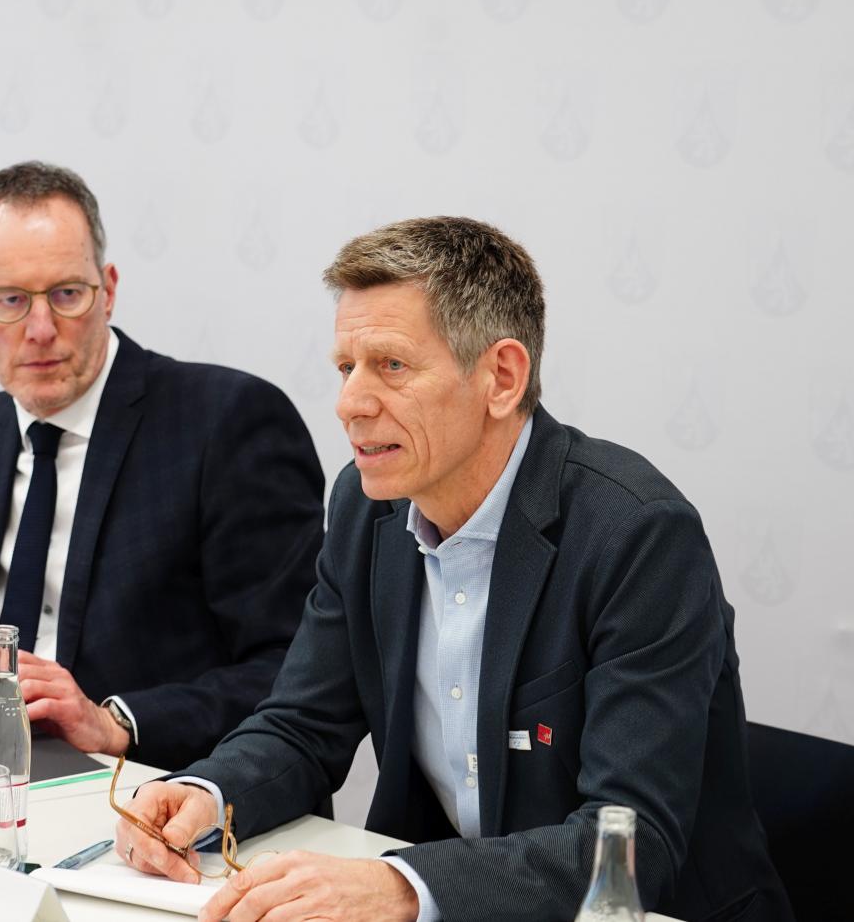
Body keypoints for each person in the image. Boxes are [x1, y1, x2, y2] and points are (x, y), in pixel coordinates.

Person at [116, 217, 791, 922]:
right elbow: (303, 723)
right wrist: (208, 792)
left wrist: (402, 886)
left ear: (501, 377)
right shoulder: (367, 506)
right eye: (346, 368)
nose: (349, 403)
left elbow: (628, 844)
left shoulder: (637, 534)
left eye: (391, 365)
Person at [0, 161, 325, 770]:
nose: (40, 329)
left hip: (153, 786)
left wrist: (115, 722)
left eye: (67, 294)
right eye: (9, 300)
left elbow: (295, 668)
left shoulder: (226, 421)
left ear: (108, 290)